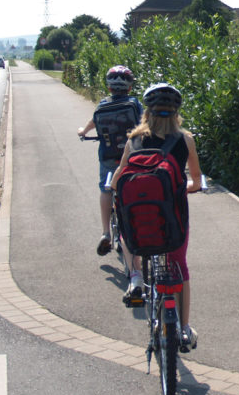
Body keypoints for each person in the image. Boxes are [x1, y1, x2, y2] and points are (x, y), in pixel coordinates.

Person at [111, 83, 202, 350]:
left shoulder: (134, 140)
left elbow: (118, 181)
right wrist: (181, 187)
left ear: (147, 112)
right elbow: (196, 182)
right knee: (179, 265)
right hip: (174, 220)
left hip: (142, 222)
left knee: (128, 230)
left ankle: (136, 275)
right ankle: (184, 329)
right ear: (176, 112)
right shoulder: (186, 140)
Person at [78, 66, 143, 256]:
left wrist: (83, 131)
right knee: (137, 185)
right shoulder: (135, 103)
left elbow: (93, 121)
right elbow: (144, 123)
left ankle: (106, 232)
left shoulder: (102, 105)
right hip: (132, 154)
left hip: (108, 156)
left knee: (106, 188)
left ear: (109, 88)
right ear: (130, 88)